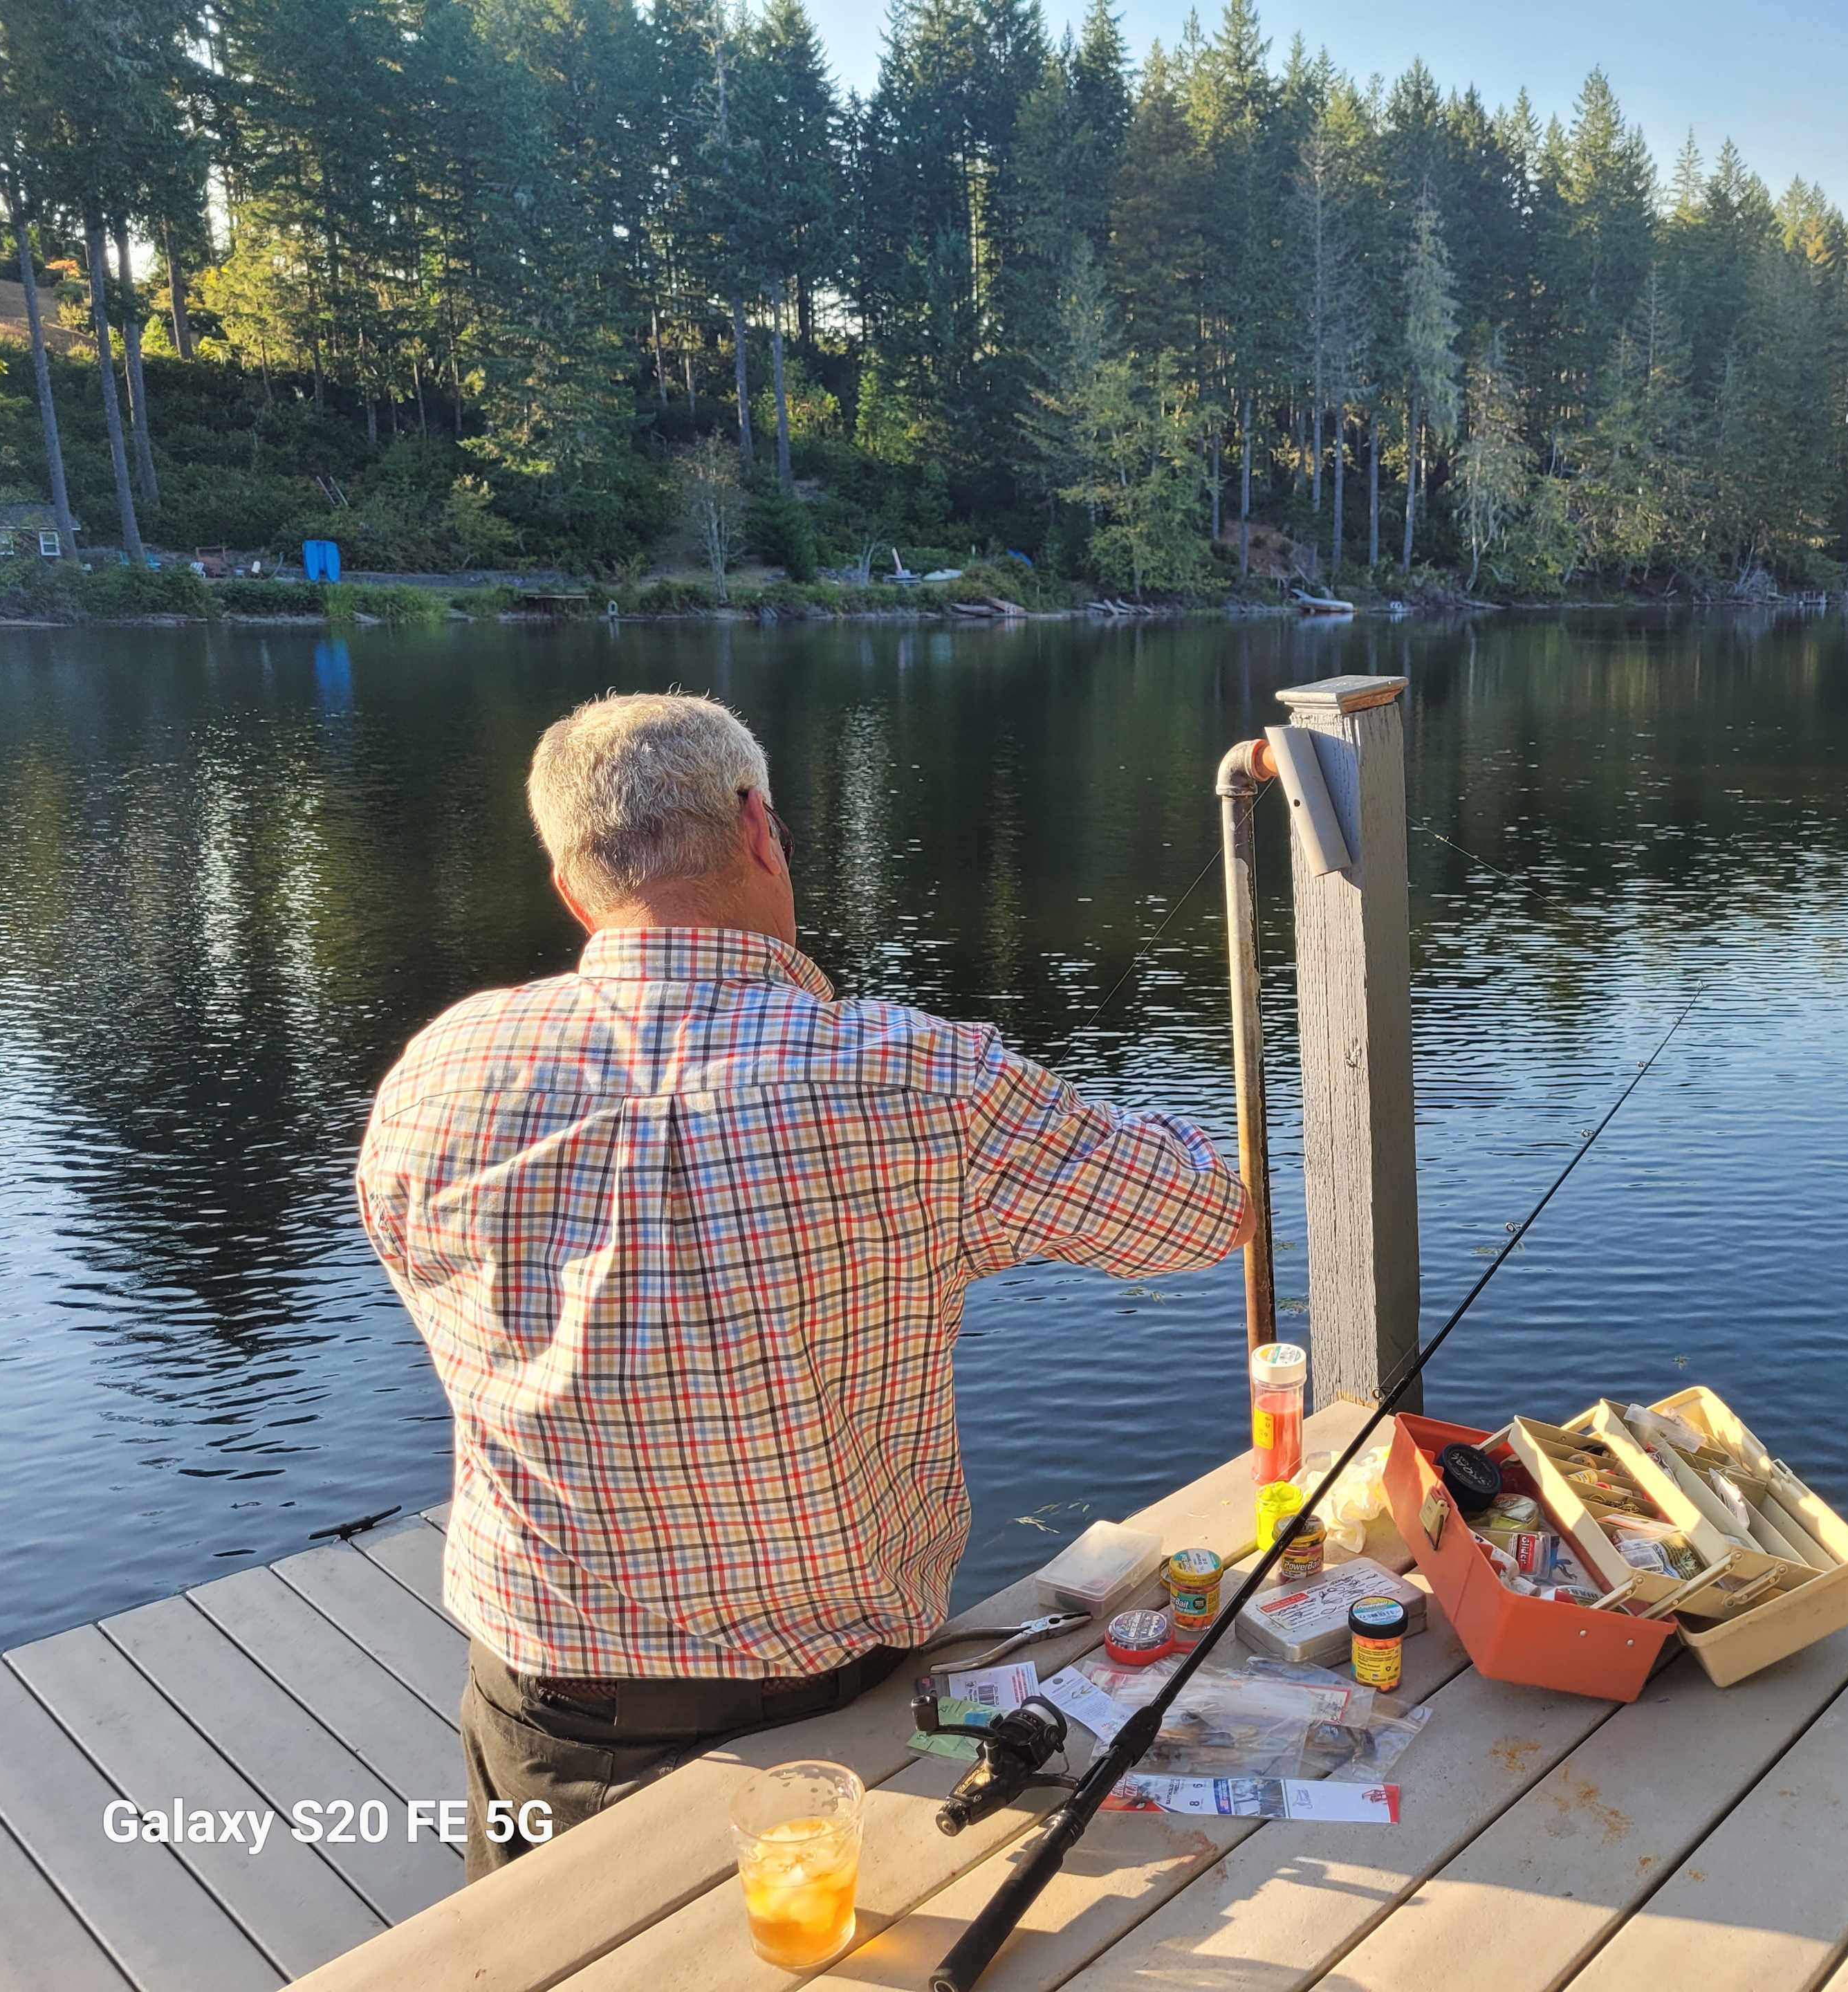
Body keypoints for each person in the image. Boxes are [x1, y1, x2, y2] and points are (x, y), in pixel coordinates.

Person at [356, 692, 1249, 1878]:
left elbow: (411, 1269)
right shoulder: (913, 1080)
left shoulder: (438, 1070)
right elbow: (1205, 1209)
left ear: (576, 890)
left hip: (547, 1708)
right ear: (760, 830)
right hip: (835, 1719)